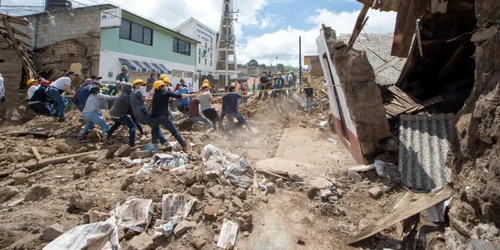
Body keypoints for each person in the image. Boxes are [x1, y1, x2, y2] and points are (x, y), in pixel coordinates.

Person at [150, 80, 195, 153]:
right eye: (163, 85)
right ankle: (185, 147)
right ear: (160, 87)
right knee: (175, 132)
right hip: (163, 117)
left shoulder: (155, 95)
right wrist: (190, 95)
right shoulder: (166, 92)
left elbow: (164, 99)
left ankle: (154, 150)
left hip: (153, 118)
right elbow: (179, 96)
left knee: (155, 135)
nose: (165, 86)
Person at [106, 82, 137, 147]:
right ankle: (132, 143)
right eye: (130, 88)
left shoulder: (121, 93)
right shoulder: (125, 96)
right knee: (133, 126)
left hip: (113, 114)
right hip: (119, 114)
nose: (131, 90)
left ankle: (107, 134)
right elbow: (132, 104)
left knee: (117, 123)